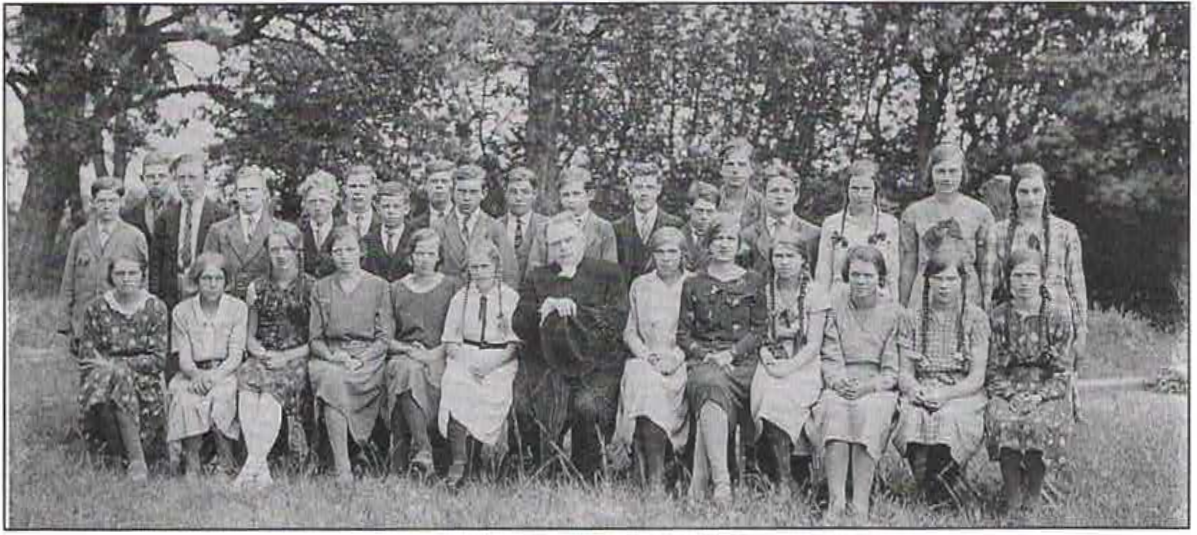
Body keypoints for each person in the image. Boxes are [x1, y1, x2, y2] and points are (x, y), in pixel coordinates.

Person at [514, 214, 628, 481]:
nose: (563, 247)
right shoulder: (538, 277)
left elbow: (616, 320)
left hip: (596, 364)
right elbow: (518, 324)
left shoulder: (608, 273)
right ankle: (542, 466)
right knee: (526, 403)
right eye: (556, 243)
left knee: (586, 405)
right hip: (548, 363)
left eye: (569, 240)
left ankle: (586, 472)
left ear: (582, 240)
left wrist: (576, 312)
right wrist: (544, 308)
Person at [677, 213, 767, 504]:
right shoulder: (693, 283)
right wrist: (706, 355)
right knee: (709, 385)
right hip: (704, 360)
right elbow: (683, 334)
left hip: (743, 362)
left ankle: (699, 484)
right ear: (708, 243)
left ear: (739, 244)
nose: (724, 245)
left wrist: (732, 353)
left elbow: (759, 329)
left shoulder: (753, 281)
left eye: (730, 239)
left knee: (715, 389)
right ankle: (722, 483)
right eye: (718, 239)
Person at [817, 245, 906, 525]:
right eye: (855, 274)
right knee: (835, 408)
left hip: (877, 385)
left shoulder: (893, 313)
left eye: (868, 275)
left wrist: (869, 386)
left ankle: (860, 503)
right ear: (847, 275)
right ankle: (836, 502)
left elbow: (893, 369)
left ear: (880, 278)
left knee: (868, 411)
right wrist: (838, 381)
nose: (861, 281)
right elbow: (829, 353)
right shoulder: (835, 305)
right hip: (841, 378)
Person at [895, 246, 990, 505]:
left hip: (961, 391)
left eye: (951, 279)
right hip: (923, 386)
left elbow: (977, 377)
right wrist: (915, 390)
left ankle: (944, 489)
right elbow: (905, 371)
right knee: (912, 416)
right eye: (938, 279)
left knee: (949, 417)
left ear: (962, 282)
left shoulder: (976, 318)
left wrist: (946, 394)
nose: (944, 286)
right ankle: (926, 485)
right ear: (927, 281)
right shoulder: (912, 318)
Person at [985, 248, 1075, 515]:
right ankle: (1012, 497)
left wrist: (1038, 397)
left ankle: (1033, 496)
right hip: (1009, 389)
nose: (1024, 282)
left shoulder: (1058, 316)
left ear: (1042, 279)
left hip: (1048, 391)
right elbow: (993, 370)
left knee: (1039, 423)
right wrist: (1011, 396)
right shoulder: (998, 316)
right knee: (1002, 419)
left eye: (1031, 275)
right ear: (1008, 279)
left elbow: (1063, 372)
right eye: (1018, 276)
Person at [308, 226, 395, 482]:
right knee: (332, 379)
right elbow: (315, 339)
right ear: (331, 254)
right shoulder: (321, 288)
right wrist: (333, 357)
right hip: (331, 356)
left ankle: (363, 453)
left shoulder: (379, 286)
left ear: (361, 251)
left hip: (368, 357)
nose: (344, 256)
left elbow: (384, 337)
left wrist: (361, 359)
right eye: (338, 251)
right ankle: (342, 466)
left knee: (343, 379)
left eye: (350, 249)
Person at [749, 227, 828, 497]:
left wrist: (789, 368)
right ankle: (782, 476)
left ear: (803, 259)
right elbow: (758, 333)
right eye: (778, 256)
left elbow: (814, 344)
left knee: (784, 396)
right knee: (768, 393)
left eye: (790, 256)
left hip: (803, 363)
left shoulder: (816, 293)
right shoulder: (763, 291)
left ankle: (792, 473)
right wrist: (768, 359)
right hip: (770, 360)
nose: (784, 262)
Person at [234, 227, 315, 488]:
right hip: (264, 355)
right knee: (247, 381)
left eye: (286, 249)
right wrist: (258, 351)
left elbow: (316, 340)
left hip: (296, 358)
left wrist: (286, 357)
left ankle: (251, 467)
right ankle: (260, 467)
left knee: (271, 389)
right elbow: (250, 335)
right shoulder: (258, 287)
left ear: (297, 251)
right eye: (274, 249)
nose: (280, 255)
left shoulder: (310, 287)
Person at [75, 255, 170, 480]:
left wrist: (120, 365)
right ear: (111, 277)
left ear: (142, 276)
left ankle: (127, 458)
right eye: (120, 273)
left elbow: (158, 359)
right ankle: (130, 458)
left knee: (119, 376)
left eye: (132, 273)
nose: (126, 279)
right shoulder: (96, 308)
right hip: (102, 376)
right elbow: (87, 355)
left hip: (143, 377)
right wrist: (111, 369)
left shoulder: (155, 307)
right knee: (111, 378)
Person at [613, 227, 691, 494]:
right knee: (642, 380)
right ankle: (654, 475)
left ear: (682, 254)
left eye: (672, 252)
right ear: (652, 255)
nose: (666, 258)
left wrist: (675, 358)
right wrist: (647, 356)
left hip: (682, 359)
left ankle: (668, 464)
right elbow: (629, 332)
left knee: (665, 386)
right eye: (660, 252)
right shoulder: (641, 285)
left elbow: (700, 333)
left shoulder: (692, 283)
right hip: (647, 357)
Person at [439, 241, 522, 488]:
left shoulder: (510, 297)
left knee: (490, 389)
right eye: (474, 267)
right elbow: (450, 340)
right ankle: (459, 461)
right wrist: (468, 361)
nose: (479, 272)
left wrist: (490, 364)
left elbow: (514, 343)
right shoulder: (461, 297)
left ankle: (475, 457)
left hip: (499, 359)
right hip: (465, 355)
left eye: (485, 266)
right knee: (457, 381)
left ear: (496, 266)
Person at [993, 163, 1088, 372]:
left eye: (1037, 191)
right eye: (1023, 192)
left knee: (1058, 380)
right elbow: (993, 283)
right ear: (1014, 194)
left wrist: (1081, 329)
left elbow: (1076, 285)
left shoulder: (1065, 231)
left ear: (1046, 192)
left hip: (1058, 325)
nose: (1031, 198)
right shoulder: (998, 233)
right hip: (1014, 325)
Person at [386, 229, 462, 475]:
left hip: (442, 354)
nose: (424, 259)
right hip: (405, 356)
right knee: (407, 370)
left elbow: (459, 331)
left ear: (438, 257)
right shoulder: (396, 289)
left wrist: (433, 354)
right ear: (410, 256)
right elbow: (386, 337)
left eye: (430, 254)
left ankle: (422, 452)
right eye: (419, 253)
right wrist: (409, 349)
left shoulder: (452, 286)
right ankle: (423, 450)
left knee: (414, 372)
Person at [167, 252, 247, 478]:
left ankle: (225, 460)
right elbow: (183, 357)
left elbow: (235, 356)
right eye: (206, 278)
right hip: (192, 373)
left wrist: (214, 376)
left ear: (226, 281)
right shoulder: (182, 311)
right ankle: (191, 459)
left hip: (225, 372)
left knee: (222, 396)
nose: (212, 284)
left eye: (218, 278)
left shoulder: (237, 308)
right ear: (196, 280)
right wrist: (196, 375)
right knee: (186, 397)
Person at [899, 143, 995, 310]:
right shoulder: (914, 212)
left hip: (966, 291)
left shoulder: (980, 212)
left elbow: (985, 265)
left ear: (962, 173)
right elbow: (909, 264)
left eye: (953, 171)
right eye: (941, 171)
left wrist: (986, 303)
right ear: (931, 173)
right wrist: (903, 305)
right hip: (925, 290)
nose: (947, 178)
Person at [59, 178, 149, 350]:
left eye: (112, 201)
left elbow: (144, 284)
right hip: (84, 324)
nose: (107, 206)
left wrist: (140, 322)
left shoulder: (135, 237)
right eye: (101, 201)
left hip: (122, 323)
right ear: (93, 203)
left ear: (121, 202)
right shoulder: (80, 236)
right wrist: (66, 325)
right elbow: (68, 282)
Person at [150, 152, 231, 311]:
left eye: (192, 177)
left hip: (208, 292)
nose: (186, 184)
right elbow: (156, 265)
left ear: (205, 179)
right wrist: (156, 299)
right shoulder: (165, 217)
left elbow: (227, 265)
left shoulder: (222, 216)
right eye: (181, 178)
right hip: (171, 294)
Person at [204, 165, 299, 299]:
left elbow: (294, 277)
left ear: (264, 193)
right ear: (236, 195)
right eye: (243, 190)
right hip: (228, 303)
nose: (248, 194)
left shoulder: (285, 231)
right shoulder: (218, 231)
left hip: (269, 304)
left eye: (253, 189)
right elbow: (207, 273)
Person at [815, 159, 900, 299]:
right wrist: (821, 304)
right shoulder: (831, 224)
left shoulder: (889, 224)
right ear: (847, 190)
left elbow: (893, 273)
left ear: (875, 190)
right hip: (839, 298)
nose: (860, 195)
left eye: (866, 189)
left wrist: (894, 304)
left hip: (878, 300)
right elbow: (823, 272)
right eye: (855, 188)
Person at [432, 164, 520, 289]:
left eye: (473, 192)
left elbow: (509, 273)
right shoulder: (438, 227)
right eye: (461, 191)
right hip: (447, 296)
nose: (466, 198)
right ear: (452, 192)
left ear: (483, 193)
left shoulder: (495, 228)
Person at [525, 168, 619, 276]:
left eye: (576, 194)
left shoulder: (603, 228)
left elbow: (610, 272)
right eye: (565, 195)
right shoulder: (546, 228)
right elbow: (534, 271)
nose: (571, 200)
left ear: (590, 195)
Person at [740, 164, 821, 274]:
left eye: (786, 191)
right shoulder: (747, 235)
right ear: (764, 195)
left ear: (796, 196)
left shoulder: (813, 235)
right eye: (774, 191)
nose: (780, 196)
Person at [613, 162, 684, 280]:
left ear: (659, 190)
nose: (644, 193)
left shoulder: (675, 225)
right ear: (630, 189)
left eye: (650, 187)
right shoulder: (617, 228)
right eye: (638, 187)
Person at [362, 181, 419, 282]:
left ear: (406, 208)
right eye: (386, 206)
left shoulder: (416, 237)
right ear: (378, 209)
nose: (391, 211)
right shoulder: (368, 239)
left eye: (396, 206)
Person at [503, 166, 548, 283]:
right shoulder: (493, 227)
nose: (518, 198)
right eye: (513, 192)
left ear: (534, 195)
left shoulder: (548, 226)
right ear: (505, 194)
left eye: (525, 192)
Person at [122, 151, 177, 247]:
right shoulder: (131, 214)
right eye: (150, 177)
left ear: (171, 177)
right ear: (142, 178)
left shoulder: (180, 210)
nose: (156, 181)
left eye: (162, 176)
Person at [298, 169, 340, 279]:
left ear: (333, 202)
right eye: (312, 201)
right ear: (305, 204)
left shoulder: (344, 230)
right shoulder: (298, 232)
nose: (317, 207)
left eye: (323, 201)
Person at [716, 138, 766, 228]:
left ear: (751, 169)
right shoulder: (711, 199)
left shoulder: (762, 204)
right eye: (730, 164)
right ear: (721, 169)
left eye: (742, 164)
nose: (735, 170)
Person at [682, 180, 720, 272]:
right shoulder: (678, 237)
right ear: (688, 209)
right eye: (699, 211)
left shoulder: (721, 239)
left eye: (710, 212)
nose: (704, 217)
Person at [340, 164, 382, 240]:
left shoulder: (383, 223)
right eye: (353, 186)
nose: (357, 191)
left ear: (374, 189)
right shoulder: (335, 225)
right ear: (345, 189)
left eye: (363, 186)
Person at [418, 159, 456, 230]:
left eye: (444, 181)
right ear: (426, 185)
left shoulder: (465, 221)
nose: (439, 186)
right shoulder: (415, 225)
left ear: (453, 185)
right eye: (434, 181)